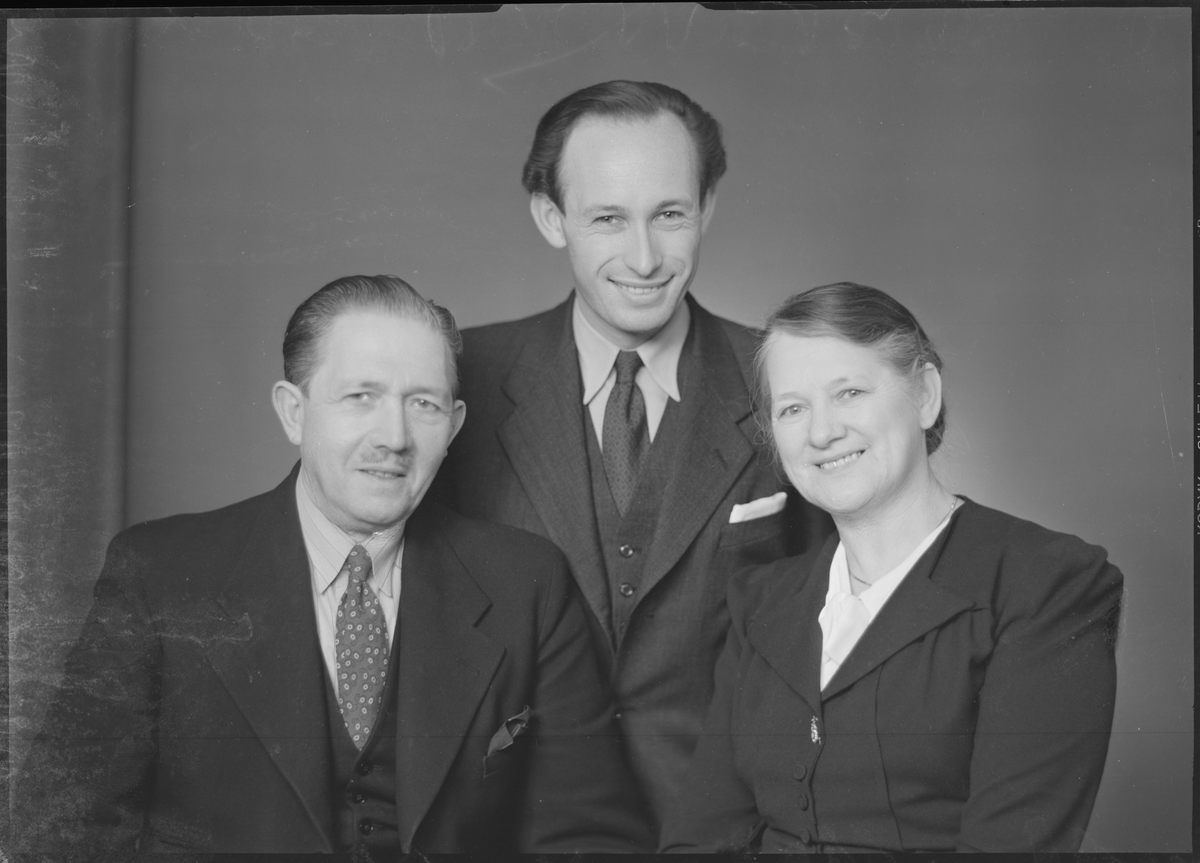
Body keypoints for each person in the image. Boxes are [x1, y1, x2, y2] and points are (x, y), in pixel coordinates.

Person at [13, 275, 652, 856]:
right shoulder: (160, 575)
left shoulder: (528, 583)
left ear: (454, 426)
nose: (394, 437)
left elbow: (591, 835)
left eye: (424, 404)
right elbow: (62, 830)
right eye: (360, 396)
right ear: (294, 412)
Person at [429, 80, 832, 833]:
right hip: (509, 828)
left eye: (670, 214)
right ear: (551, 218)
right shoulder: (457, 381)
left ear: (708, 207)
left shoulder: (787, 380)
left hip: (729, 830)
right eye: (608, 218)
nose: (644, 258)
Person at [660, 282, 1123, 853]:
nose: (822, 432)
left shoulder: (1047, 583)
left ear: (925, 395)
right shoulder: (760, 601)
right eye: (793, 408)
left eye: (849, 392)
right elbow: (698, 841)